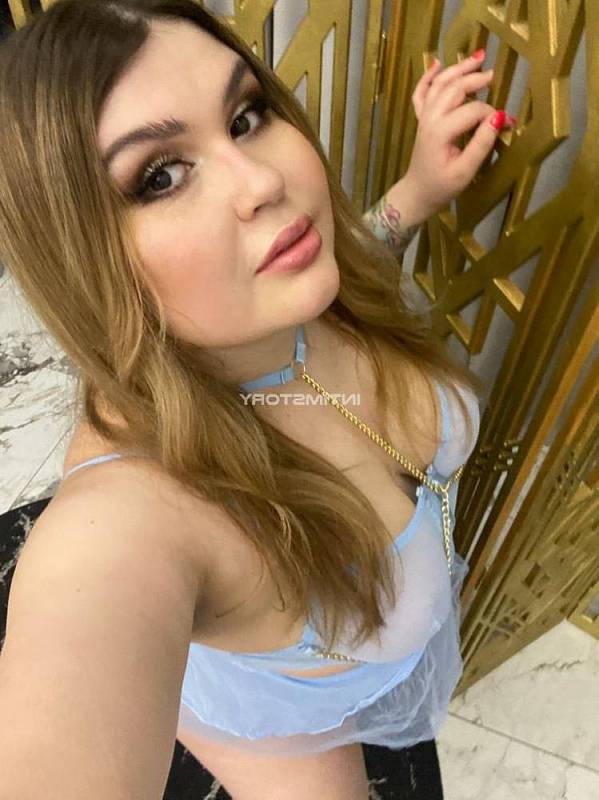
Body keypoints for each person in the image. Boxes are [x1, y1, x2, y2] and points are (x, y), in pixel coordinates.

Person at [0, 1, 515, 798]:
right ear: (80, 255)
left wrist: (416, 191)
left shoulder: (291, 287)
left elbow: (362, 254)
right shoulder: (132, 520)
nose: (264, 181)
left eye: (244, 117)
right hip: (286, 725)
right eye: (160, 176)